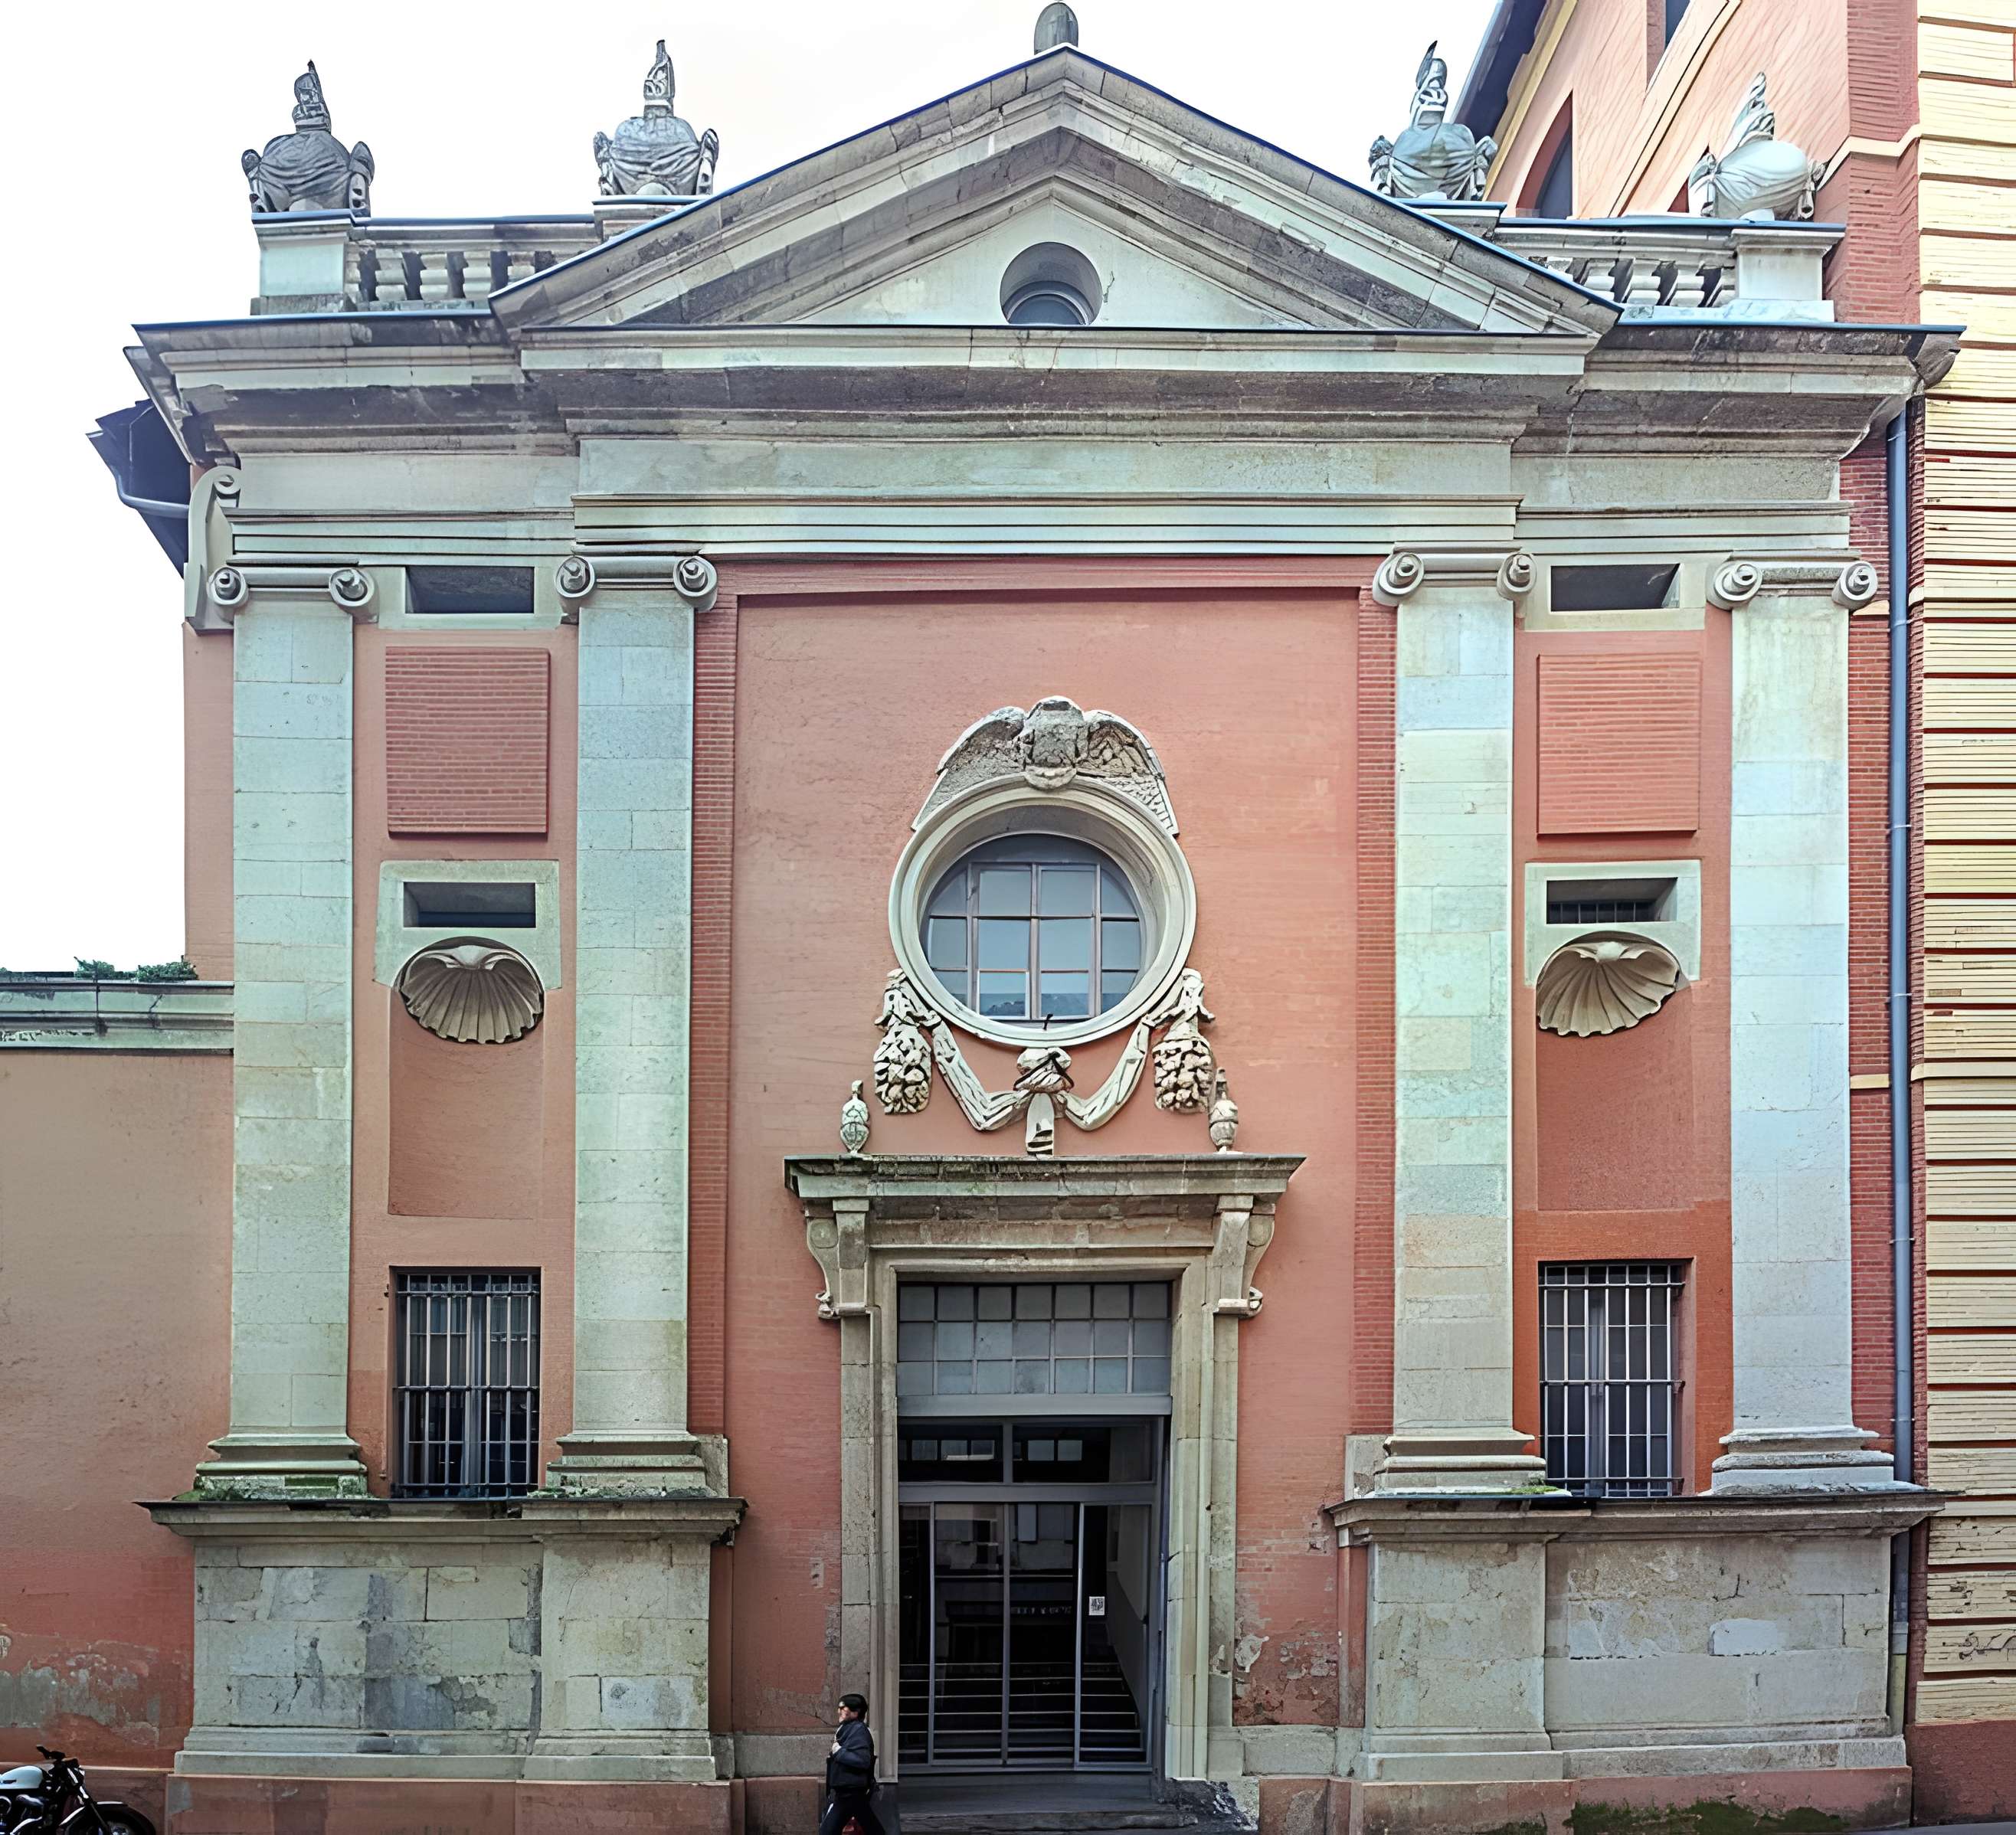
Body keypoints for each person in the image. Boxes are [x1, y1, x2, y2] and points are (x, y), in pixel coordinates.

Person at [820, 1693, 886, 1835]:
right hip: (849, 1790)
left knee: (827, 1831)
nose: (839, 1711)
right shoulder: (849, 1728)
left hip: (851, 1791)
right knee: (872, 1827)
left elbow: (863, 1760)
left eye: (843, 1708)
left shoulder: (858, 1730)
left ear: (855, 1713)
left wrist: (838, 1752)